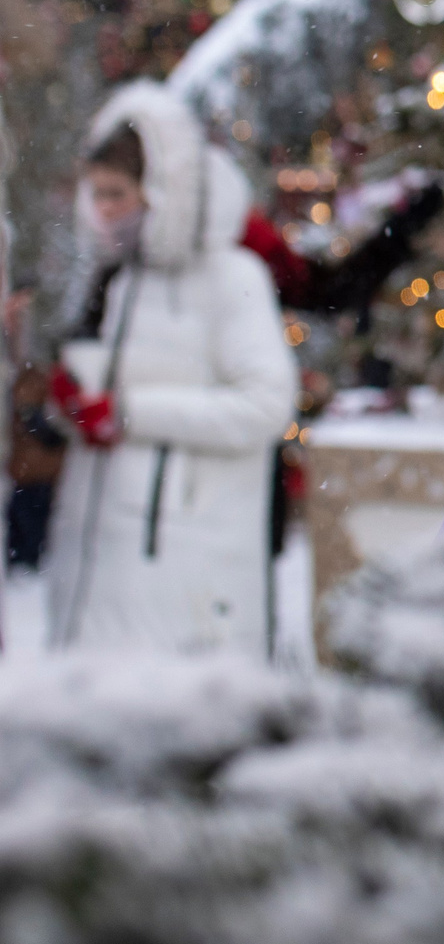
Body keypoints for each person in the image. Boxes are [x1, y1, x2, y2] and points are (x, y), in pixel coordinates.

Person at [45, 83, 298, 653]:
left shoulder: (234, 278)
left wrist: (130, 414)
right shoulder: (120, 279)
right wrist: (70, 403)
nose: (104, 210)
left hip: (189, 571)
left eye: (117, 193)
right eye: (96, 195)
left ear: (162, 189)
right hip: (99, 571)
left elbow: (264, 406)